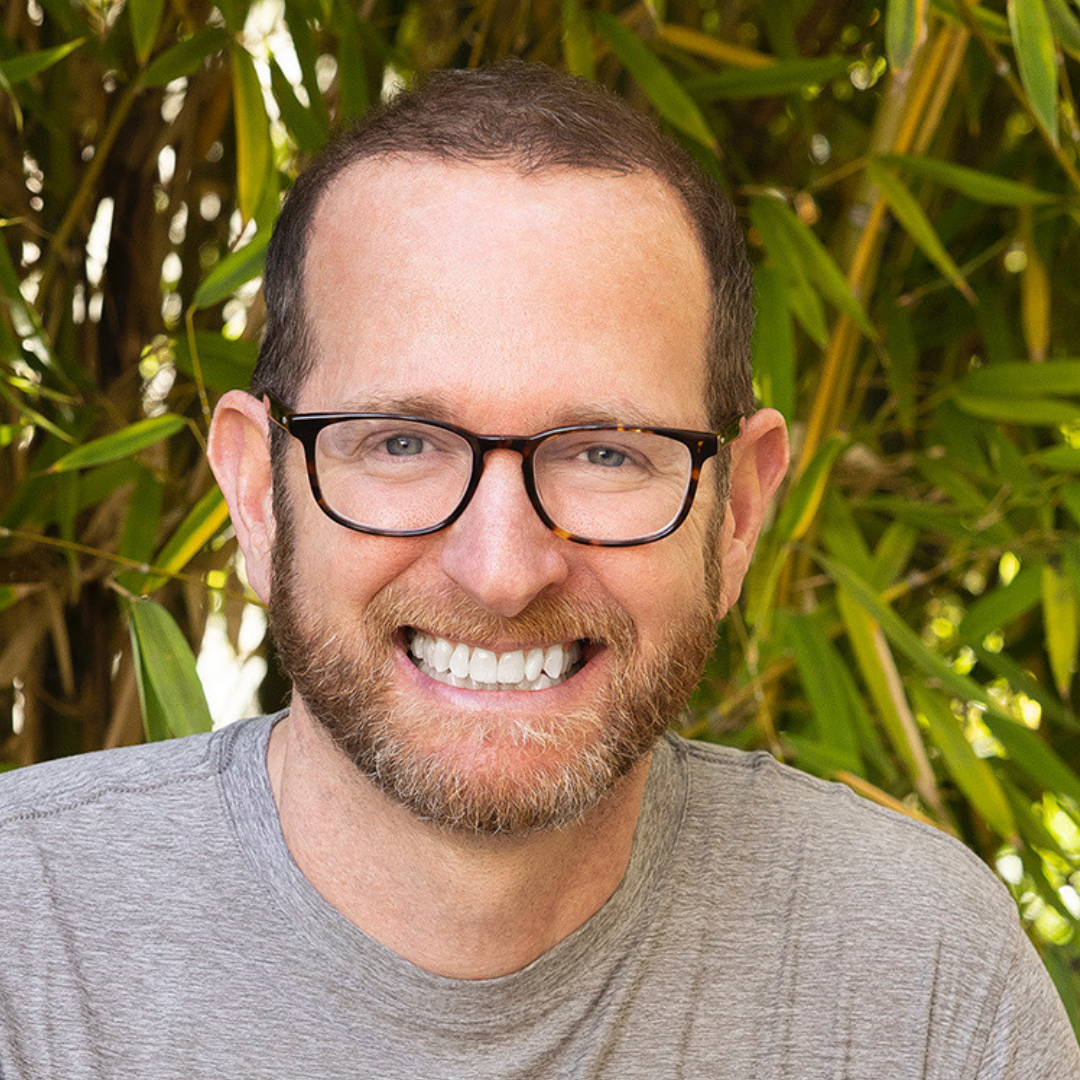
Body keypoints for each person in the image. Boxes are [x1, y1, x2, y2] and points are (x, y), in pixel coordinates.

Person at [0, 61, 1076, 1080]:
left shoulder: (922, 980)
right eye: (402, 443)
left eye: (605, 452)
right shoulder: (25, 946)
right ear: (254, 494)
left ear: (738, 509)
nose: (503, 571)